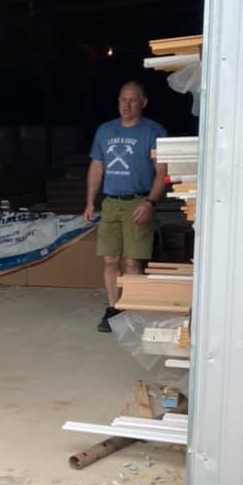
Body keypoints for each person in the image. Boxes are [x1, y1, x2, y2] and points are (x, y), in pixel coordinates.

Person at [84, 80, 167, 333]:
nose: (127, 105)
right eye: (123, 99)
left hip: (138, 202)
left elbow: (162, 172)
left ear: (143, 103)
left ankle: (135, 310)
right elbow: (97, 167)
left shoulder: (154, 132)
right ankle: (114, 309)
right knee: (110, 259)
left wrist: (150, 202)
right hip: (111, 203)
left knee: (132, 262)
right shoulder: (105, 131)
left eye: (132, 100)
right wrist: (90, 202)